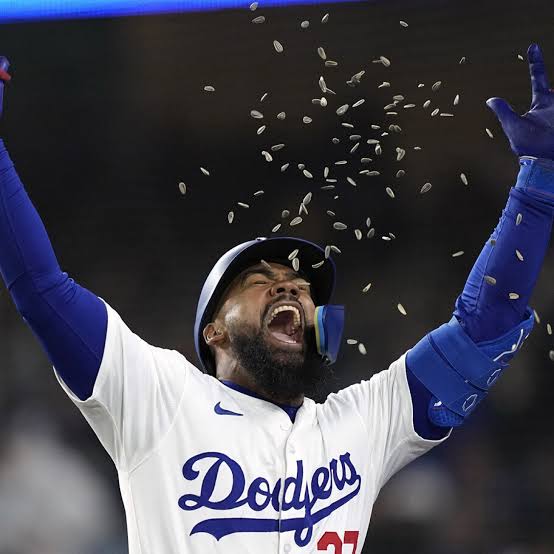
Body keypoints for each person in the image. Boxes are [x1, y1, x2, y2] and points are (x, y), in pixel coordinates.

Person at [0, 42, 553, 553]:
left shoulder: (361, 422)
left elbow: (483, 328)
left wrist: (537, 187)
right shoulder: (159, 397)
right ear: (213, 329)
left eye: (305, 288)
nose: (292, 286)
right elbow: (42, 288)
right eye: (261, 280)